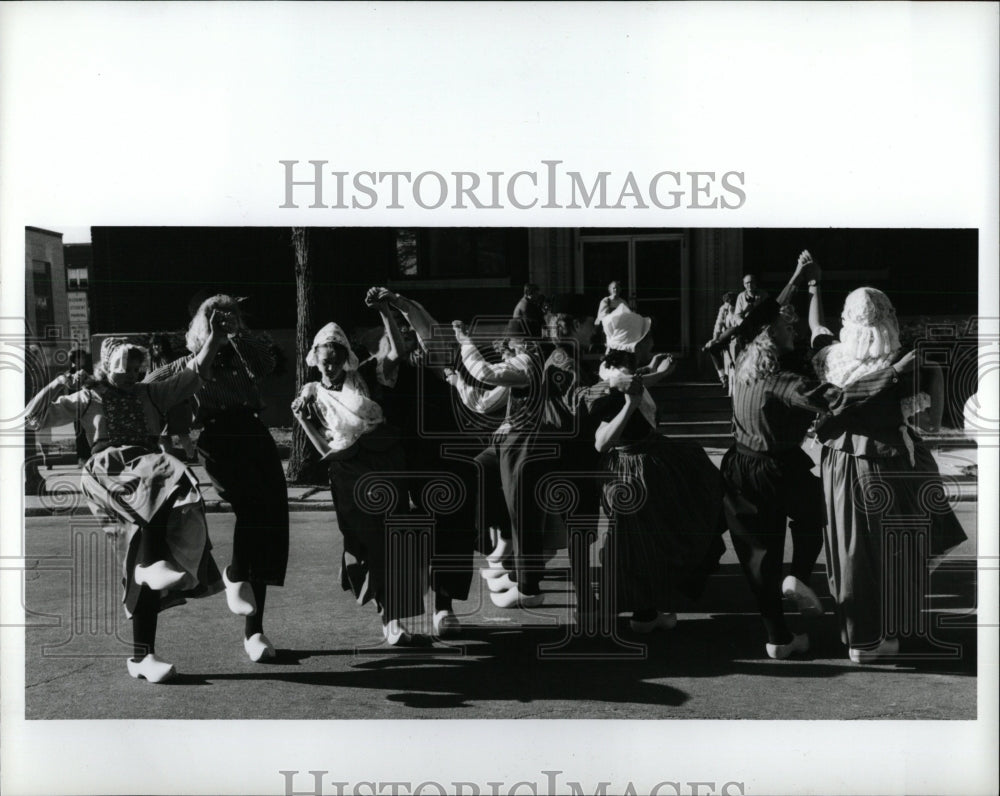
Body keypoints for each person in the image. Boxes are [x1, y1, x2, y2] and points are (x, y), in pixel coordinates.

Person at [721, 252, 913, 660]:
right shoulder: (787, 382)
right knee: (822, 515)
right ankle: (801, 576)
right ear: (773, 336)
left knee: (759, 557)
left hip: (737, 465)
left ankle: (778, 637)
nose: (793, 329)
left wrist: (803, 280)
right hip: (775, 466)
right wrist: (891, 373)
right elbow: (840, 400)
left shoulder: (741, 358)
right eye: (785, 327)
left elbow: (770, 317)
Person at [24, 331, 227, 683]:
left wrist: (215, 338)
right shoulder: (89, 396)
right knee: (155, 492)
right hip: (111, 470)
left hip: (149, 470)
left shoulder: (150, 392)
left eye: (138, 367)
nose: (134, 374)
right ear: (109, 365)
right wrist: (59, 383)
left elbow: (192, 374)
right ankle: (152, 569)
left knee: (147, 548)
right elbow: (35, 417)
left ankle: (142, 657)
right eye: (127, 367)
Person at [807, 273, 967, 663]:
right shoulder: (902, 363)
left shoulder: (829, 357)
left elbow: (816, 328)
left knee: (850, 549)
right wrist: (937, 373)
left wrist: (813, 289)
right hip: (888, 464)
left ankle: (858, 636)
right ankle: (884, 632)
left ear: (849, 319)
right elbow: (929, 424)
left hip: (840, 462)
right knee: (895, 551)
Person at [145, 295, 288, 663]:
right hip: (218, 437)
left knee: (269, 523)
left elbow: (268, 362)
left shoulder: (242, 355)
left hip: (254, 433)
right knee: (252, 509)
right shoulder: (186, 363)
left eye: (232, 315)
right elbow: (148, 389)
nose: (224, 322)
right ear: (200, 323)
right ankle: (235, 573)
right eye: (216, 317)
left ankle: (254, 631)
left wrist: (237, 333)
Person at [292, 317, 428, 646]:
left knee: (391, 542)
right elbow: (323, 446)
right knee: (364, 543)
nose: (331, 367)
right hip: (347, 473)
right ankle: (385, 610)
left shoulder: (366, 375)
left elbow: (396, 349)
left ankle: (391, 618)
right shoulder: (311, 394)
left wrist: (383, 310)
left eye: (337, 360)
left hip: (384, 465)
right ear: (315, 359)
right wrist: (300, 417)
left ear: (347, 358)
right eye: (325, 361)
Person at [592, 309, 726, 633]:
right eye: (647, 338)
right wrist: (631, 405)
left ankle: (649, 608)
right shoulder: (613, 382)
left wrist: (652, 372)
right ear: (635, 344)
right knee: (646, 541)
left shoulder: (621, 372)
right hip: (632, 467)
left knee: (653, 538)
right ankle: (644, 612)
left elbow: (631, 382)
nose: (653, 342)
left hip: (648, 460)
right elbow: (601, 441)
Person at [450, 313, 550, 608]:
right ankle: (502, 545)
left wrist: (466, 342)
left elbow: (486, 373)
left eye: (510, 342)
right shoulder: (524, 363)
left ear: (522, 342)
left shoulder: (528, 362)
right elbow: (485, 401)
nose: (505, 348)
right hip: (509, 439)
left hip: (526, 443)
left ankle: (529, 588)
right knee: (478, 468)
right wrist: (458, 383)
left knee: (523, 510)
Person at [148, 334, 197, 461]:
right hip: (161, 405)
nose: (156, 347)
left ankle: (192, 457)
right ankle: (169, 460)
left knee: (182, 433)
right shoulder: (153, 361)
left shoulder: (173, 359)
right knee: (163, 436)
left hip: (176, 402)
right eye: (154, 344)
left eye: (158, 344)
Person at [703, 292, 738, 391]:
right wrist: (715, 338)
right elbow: (718, 324)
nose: (728, 303)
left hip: (736, 332)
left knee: (720, 339)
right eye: (727, 302)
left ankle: (712, 343)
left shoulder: (738, 307)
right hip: (725, 335)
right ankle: (723, 378)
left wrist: (732, 312)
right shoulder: (723, 309)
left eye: (730, 301)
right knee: (713, 349)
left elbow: (736, 323)